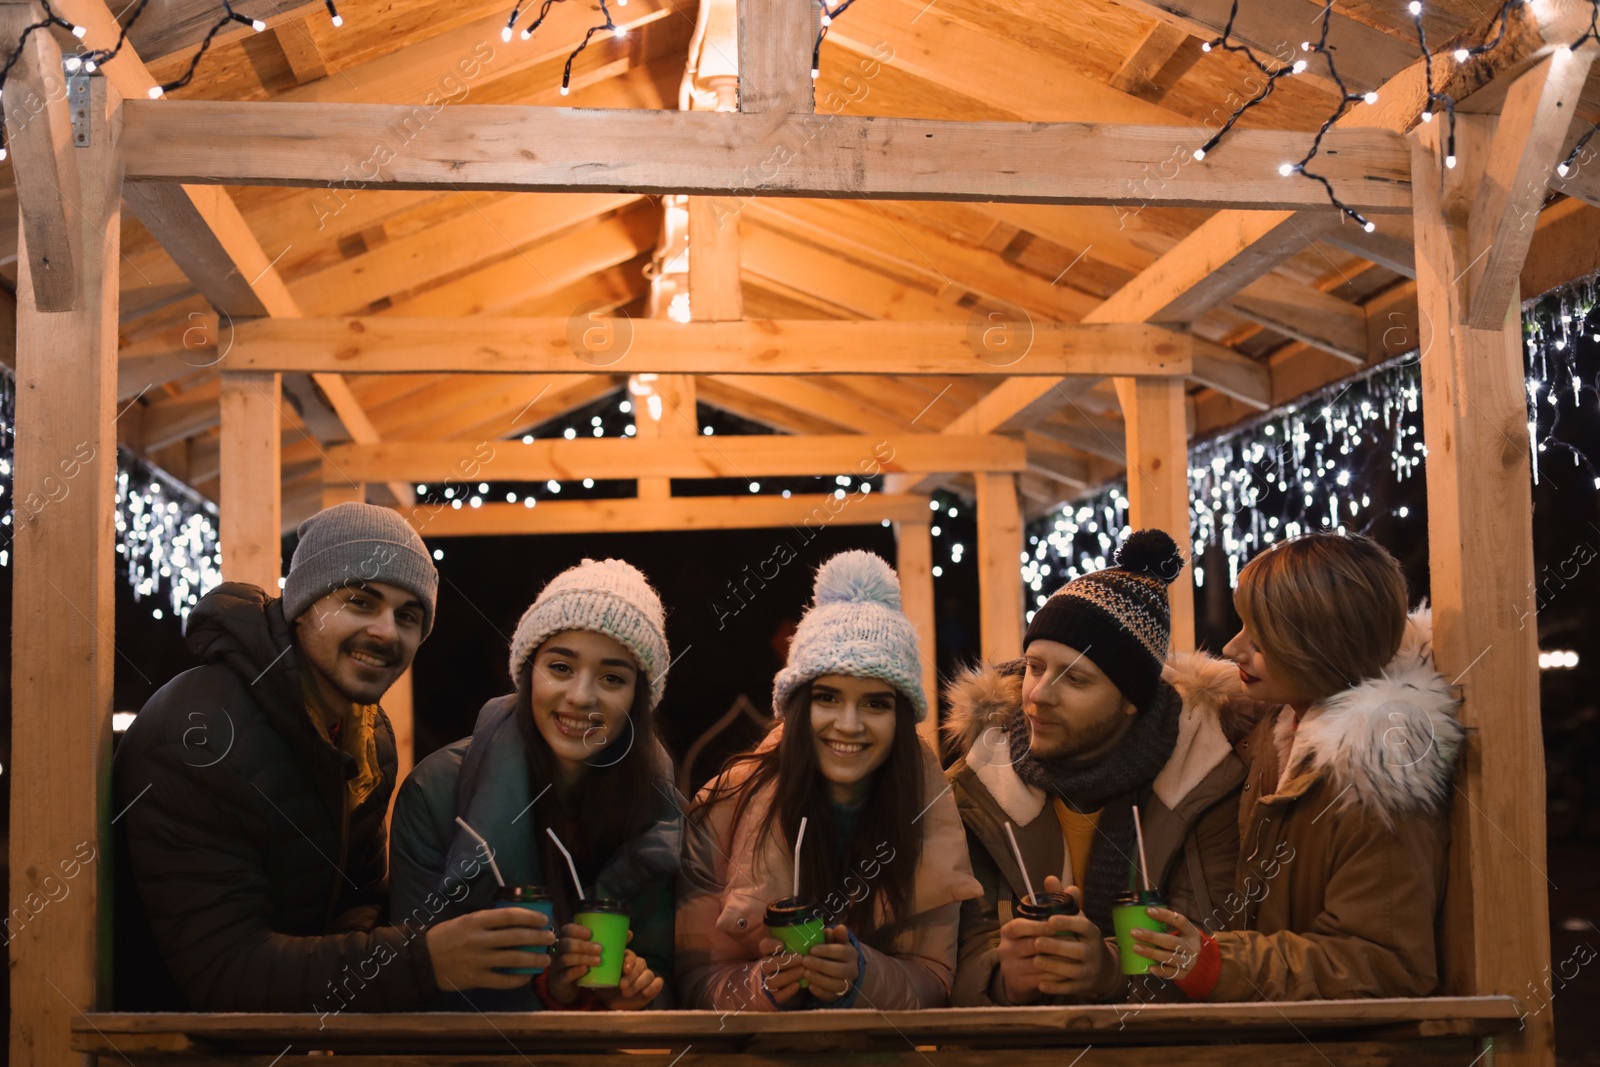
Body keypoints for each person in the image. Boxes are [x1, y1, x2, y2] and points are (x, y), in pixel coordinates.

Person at [114, 502, 548, 1013]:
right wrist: (425, 960)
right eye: (361, 601)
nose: (387, 631)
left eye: (408, 616)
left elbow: (355, 904)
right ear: (303, 605)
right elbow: (221, 972)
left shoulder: (368, 735)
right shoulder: (203, 732)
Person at [1122, 533, 1462, 1001]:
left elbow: (1385, 962)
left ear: (1321, 644)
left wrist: (1218, 964)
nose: (1232, 648)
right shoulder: (1269, 726)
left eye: (1259, 637)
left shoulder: (1377, 779)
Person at [945, 529, 1264, 1006]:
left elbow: (1207, 946)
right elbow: (956, 960)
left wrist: (1109, 971)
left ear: (1131, 702)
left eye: (1075, 679)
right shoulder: (975, 790)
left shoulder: (1207, 783)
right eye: (1035, 666)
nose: (1039, 694)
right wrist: (1002, 979)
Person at [676, 551, 982, 1012]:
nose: (849, 723)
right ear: (797, 706)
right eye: (827, 697)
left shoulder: (930, 806)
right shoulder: (725, 805)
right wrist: (761, 987)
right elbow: (695, 979)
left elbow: (935, 978)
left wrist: (860, 975)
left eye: (876, 704)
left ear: (901, 718)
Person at [390, 558, 682, 1010]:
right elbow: (420, 981)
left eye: (612, 678)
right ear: (526, 674)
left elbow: (668, 976)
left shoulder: (656, 807)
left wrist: (633, 996)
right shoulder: (438, 791)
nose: (581, 695)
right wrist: (550, 994)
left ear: (638, 699)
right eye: (561, 667)